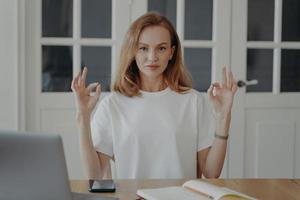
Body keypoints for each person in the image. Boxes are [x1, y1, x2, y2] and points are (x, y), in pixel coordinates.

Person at [71, 12, 237, 179]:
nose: (152, 57)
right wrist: (83, 117)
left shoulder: (193, 101)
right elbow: (95, 176)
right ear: (133, 52)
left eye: (161, 48)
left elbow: (211, 173)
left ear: (171, 53)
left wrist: (224, 118)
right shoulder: (112, 104)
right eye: (143, 48)